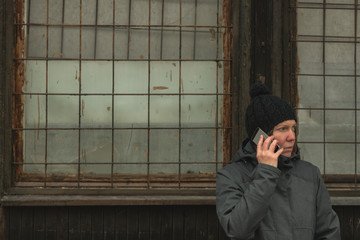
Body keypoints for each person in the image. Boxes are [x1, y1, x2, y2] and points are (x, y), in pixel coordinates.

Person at [216, 82, 341, 240]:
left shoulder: (310, 174)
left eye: (293, 128)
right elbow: (237, 230)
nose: (292, 137)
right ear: (260, 136)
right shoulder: (230, 177)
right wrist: (266, 173)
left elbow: (329, 233)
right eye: (283, 129)